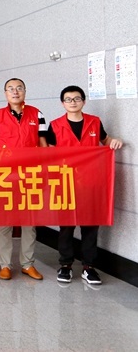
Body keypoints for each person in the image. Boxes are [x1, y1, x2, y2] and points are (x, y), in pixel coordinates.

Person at [47, 85, 123, 285]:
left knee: (90, 225)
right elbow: (48, 154)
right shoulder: (54, 125)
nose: (73, 102)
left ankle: (89, 267)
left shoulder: (94, 122)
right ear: (62, 103)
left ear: (83, 101)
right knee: (66, 226)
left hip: (91, 182)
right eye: (68, 99)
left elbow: (105, 140)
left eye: (77, 98)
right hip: (66, 182)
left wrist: (114, 141)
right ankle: (65, 265)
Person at [0, 78, 47, 281]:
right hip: (5, 175)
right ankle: (5, 265)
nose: (15, 92)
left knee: (29, 221)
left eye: (19, 88)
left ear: (25, 91)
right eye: (10, 89)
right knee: (5, 222)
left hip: (30, 174)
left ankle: (27, 264)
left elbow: (43, 145)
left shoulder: (36, 114)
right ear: (5, 93)